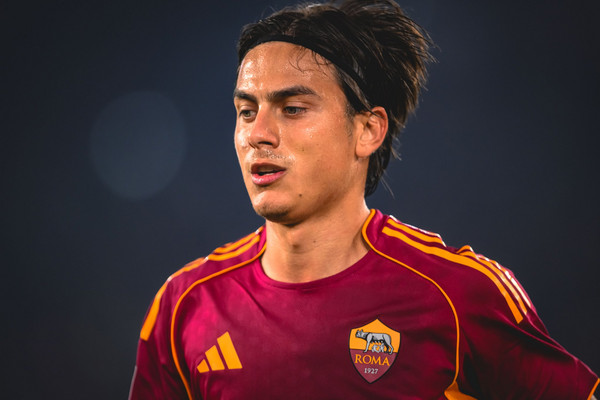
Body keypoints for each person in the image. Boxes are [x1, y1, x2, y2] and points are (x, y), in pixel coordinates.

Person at [129, 0, 598, 398]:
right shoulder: (184, 305)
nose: (258, 134)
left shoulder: (458, 293)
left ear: (368, 130)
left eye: (293, 109)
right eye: (246, 111)